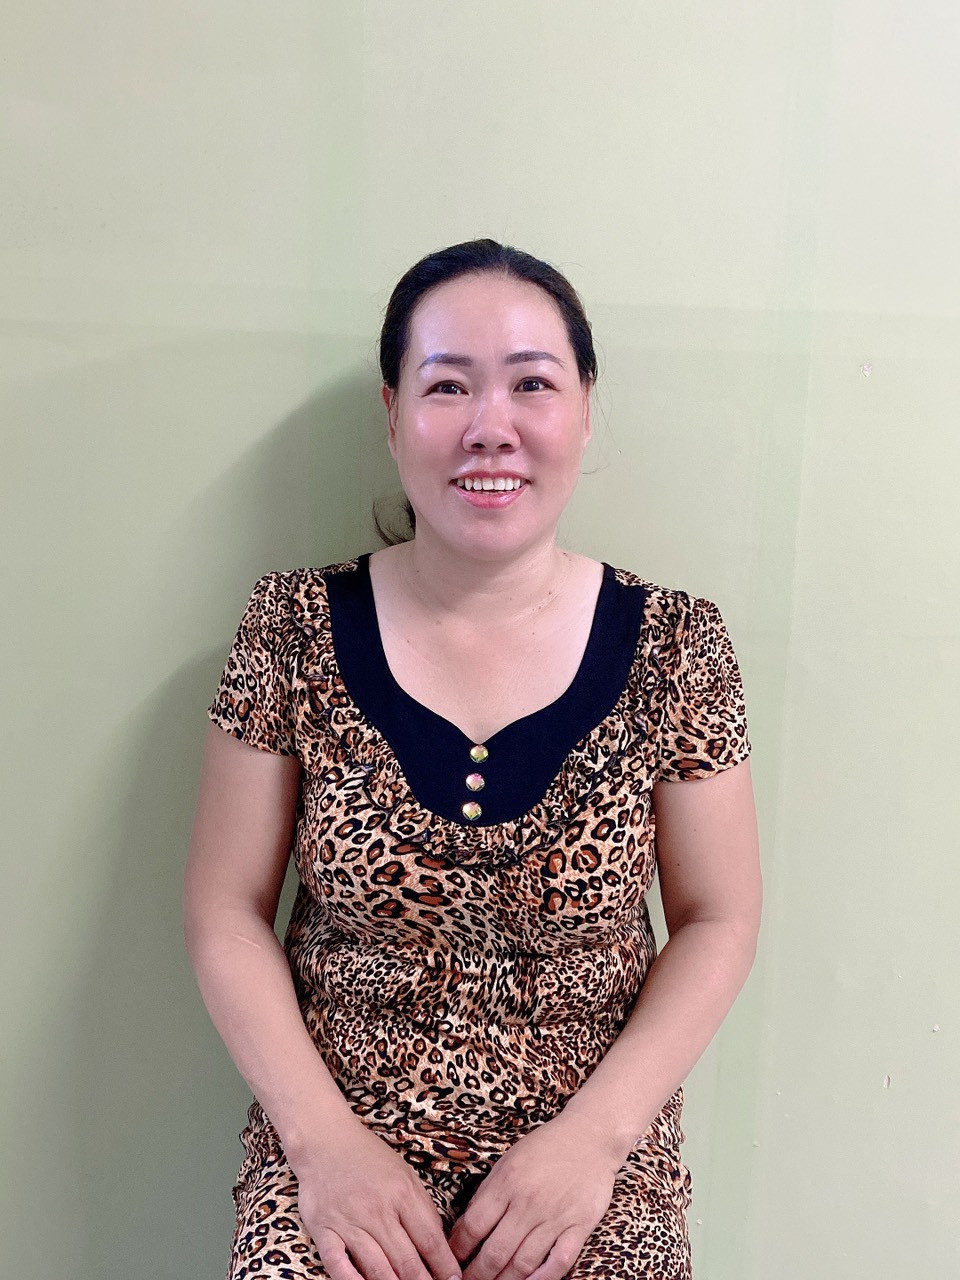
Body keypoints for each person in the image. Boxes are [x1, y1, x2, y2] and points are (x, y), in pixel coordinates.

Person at [183, 238, 762, 1280]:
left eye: (532, 383)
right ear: (393, 412)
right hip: (337, 1142)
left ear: (584, 408)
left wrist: (596, 1144)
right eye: (448, 385)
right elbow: (225, 908)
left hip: (589, 1152)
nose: (491, 425)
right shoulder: (289, 627)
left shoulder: (677, 644)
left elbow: (719, 917)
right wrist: (322, 1146)